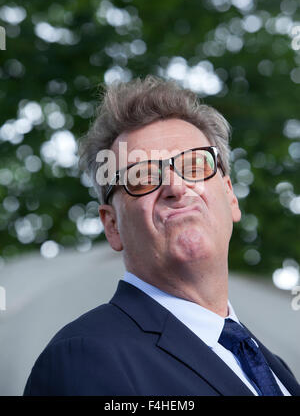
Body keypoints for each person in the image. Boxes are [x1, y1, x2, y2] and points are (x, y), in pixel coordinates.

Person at [23, 76, 300, 396]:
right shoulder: (80, 359)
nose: (176, 187)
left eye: (195, 165)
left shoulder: (272, 367)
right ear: (112, 226)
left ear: (230, 197)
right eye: (142, 176)